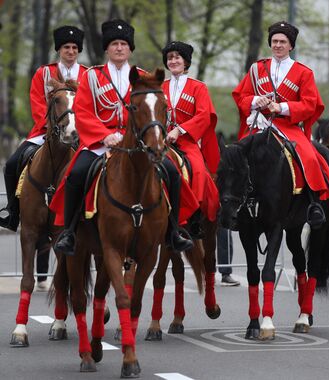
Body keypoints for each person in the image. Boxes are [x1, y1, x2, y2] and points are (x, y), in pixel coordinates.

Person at [51, 19, 193, 255]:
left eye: (124, 44)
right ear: (107, 48)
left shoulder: (144, 76)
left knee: (172, 173)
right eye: (114, 44)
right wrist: (104, 135)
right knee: (75, 174)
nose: (119, 48)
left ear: (130, 49)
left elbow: (153, 112)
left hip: (137, 144)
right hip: (100, 142)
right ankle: (70, 231)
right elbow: (83, 112)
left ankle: (174, 231)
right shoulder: (93, 76)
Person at [232, 20, 329, 229]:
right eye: (274, 41)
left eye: (282, 41)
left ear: (291, 45)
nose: (278, 45)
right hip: (259, 124)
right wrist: (255, 101)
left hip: (288, 126)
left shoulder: (303, 73)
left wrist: (282, 108)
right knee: (235, 156)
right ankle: (234, 203)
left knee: (310, 157)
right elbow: (241, 97)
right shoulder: (256, 69)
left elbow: (310, 105)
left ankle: (314, 204)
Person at [0, 25, 87, 232]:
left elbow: (89, 105)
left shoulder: (87, 74)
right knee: (11, 164)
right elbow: (38, 103)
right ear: (59, 49)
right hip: (46, 132)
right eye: (67, 47)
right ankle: (13, 211)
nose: (71, 51)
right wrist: (52, 126)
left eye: (75, 48)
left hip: (81, 133)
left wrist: (80, 128)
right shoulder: (44, 72)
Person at [160, 41, 220, 239]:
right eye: (170, 58)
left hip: (187, 142)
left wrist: (180, 130)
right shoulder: (160, 87)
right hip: (161, 141)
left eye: (177, 57)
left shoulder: (198, 87)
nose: (173, 61)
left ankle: (193, 217)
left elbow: (203, 116)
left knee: (199, 171)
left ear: (186, 61)